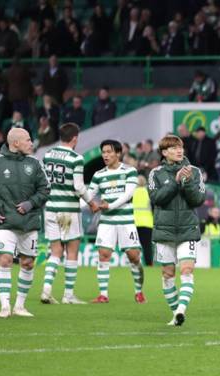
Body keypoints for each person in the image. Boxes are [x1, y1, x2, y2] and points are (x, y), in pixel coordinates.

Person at [0, 127, 50, 317]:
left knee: (27, 264)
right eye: (28, 140)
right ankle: (5, 306)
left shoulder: (35, 163)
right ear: (15, 143)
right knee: (5, 259)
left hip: (29, 222)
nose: (31, 143)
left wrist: (31, 203)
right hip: (5, 222)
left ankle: (20, 306)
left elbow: (45, 189)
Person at [148, 135, 206, 326]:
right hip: (164, 230)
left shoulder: (195, 172)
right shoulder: (155, 173)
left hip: (187, 228)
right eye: (173, 148)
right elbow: (157, 198)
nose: (179, 150)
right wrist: (175, 181)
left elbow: (198, 200)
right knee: (167, 274)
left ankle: (181, 309)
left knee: (187, 270)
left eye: (180, 147)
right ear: (164, 153)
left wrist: (187, 182)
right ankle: (176, 314)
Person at [40, 123, 97, 305]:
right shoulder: (76, 158)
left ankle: (46, 289)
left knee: (55, 251)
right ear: (74, 138)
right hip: (69, 210)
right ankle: (68, 295)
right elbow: (79, 186)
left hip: (50, 208)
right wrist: (92, 202)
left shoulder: (48, 155)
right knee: (72, 251)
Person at [88, 140, 145, 304]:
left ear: (118, 154)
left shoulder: (130, 171)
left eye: (109, 152)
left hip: (126, 221)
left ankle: (139, 291)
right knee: (103, 255)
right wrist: (86, 203)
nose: (105, 155)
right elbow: (89, 195)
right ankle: (103, 294)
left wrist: (109, 205)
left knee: (134, 257)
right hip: (107, 222)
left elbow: (128, 195)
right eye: (103, 152)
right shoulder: (98, 175)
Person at [133, 174, 153, 266]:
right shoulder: (148, 192)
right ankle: (149, 264)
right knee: (147, 246)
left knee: (134, 245)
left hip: (134, 223)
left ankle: (135, 263)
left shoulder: (132, 193)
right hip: (147, 223)